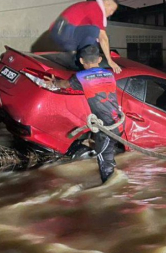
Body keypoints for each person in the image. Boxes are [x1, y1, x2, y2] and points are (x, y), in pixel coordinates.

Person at [48, 45, 122, 183]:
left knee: (106, 166)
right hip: (117, 124)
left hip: (107, 129)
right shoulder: (109, 74)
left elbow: (64, 85)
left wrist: (54, 82)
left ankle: (112, 194)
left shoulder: (81, 77)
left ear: (82, 61)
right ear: (100, 59)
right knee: (107, 156)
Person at [49, 0, 122, 73]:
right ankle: (90, 66)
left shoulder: (88, 7)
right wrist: (110, 61)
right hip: (64, 31)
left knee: (93, 41)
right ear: (106, 3)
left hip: (61, 33)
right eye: (112, 10)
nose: (111, 13)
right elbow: (103, 37)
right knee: (94, 31)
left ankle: (78, 61)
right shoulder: (95, 7)